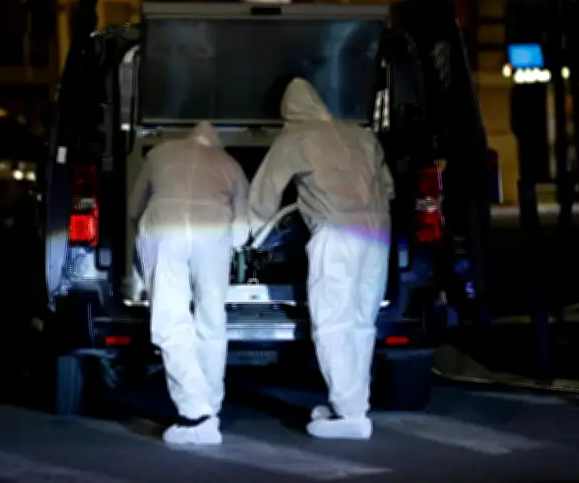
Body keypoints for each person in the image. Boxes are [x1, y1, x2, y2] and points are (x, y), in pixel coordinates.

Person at [248, 78, 394, 440]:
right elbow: (389, 187)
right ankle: (353, 405)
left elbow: (264, 195)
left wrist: (244, 238)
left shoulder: (295, 137)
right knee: (362, 321)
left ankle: (350, 415)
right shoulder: (362, 136)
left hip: (337, 231)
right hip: (377, 231)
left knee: (332, 322)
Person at [128, 120, 249, 445]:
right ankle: (210, 406)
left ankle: (197, 413)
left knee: (171, 320)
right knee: (211, 320)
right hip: (213, 233)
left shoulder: (159, 153)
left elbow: (134, 206)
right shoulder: (231, 165)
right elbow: (242, 234)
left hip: (164, 228)